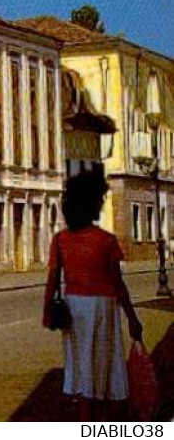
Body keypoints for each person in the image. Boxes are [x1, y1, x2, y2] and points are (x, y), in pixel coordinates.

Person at [45, 171, 143, 420]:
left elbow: (52, 279)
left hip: (74, 307)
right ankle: (102, 419)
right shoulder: (106, 241)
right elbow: (118, 284)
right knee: (104, 361)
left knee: (82, 362)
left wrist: (47, 311)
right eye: (99, 198)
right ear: (90, 202)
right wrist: (132, 317)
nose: (101, 202)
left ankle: (85, 417)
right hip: (102, 307)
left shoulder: (59, 240)